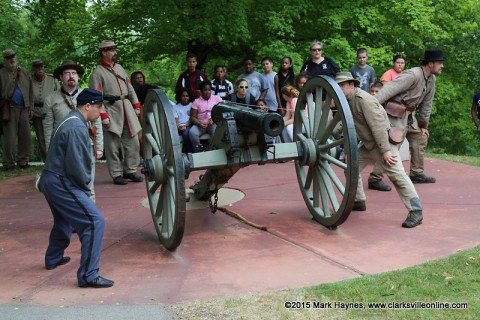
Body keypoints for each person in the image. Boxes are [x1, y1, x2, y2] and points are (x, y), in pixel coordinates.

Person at [39, 88, 114, 288]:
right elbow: (78, 167)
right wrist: (85, 190)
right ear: (87, 106)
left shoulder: (70, 119)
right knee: (94, 222)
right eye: (98, 107)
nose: (99, 112)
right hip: (60, 181)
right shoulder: (76, 127)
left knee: (63, 219)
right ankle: (89, 275)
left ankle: (53, 258)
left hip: (50, 179)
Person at [335, 72, 423, 228]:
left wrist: (385, 150)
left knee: (398, 176)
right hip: (369, 144)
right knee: (351, 169)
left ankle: (416, 211)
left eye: (342, 85)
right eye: (338, 85)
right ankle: (358, 200)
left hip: (382, 143)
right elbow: (345, 123)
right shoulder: (348, 100)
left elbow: (379, 125)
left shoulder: (364, 100)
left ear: (351, 84)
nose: (339, 88)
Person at [374, 49, 446, 184]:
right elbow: (388, 90)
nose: (442, 66)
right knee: (393, 143)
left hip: (409, 115)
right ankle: (375, 177)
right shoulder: (412, 75)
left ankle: (416, 173)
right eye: (440, 62)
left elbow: (427, 104)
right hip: (395, 113)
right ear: (430, 63)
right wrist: (372, 106)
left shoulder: (431, 79)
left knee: (420, 136)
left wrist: (423, 126)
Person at [43, 60, 103, 202]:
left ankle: (90, 218)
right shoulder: (51, 99)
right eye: (67, 73)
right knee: (64, 185)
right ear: (61, 77)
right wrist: (49, 150)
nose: (71, 76)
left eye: (74, 73)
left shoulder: (88, 95)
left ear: (78, 76)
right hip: (62, 148)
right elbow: (47, 127)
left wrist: (99, 146)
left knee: (88, 184)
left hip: (85, 144)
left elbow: (97, 121)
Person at [89, 40, 143, 185]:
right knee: (112, 145)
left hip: (126, 107)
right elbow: (96, 97)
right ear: (104, 52)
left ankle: (130, 170)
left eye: (115, 50)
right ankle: (116, 174)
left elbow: (129, 87)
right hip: (111, 108)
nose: (115, 53)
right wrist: (103, 115)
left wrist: (136, 104)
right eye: (112, 50)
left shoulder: (119, 67)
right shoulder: (97, 73)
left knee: (133, 141)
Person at [0, 49, 33, 170]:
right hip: (9, 109)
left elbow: (31, 91)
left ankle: (23, 161)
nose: (12, 59)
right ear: (5, 60)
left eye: (13, 56)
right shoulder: (1, 73)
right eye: (9, 57)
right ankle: (8, 163)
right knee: (9, 138)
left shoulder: (24, 72)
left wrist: (31, 107)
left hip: (24, 108)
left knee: (26, 137)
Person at [31, 59, 60, 162]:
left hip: (51, 111)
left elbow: (60, 94)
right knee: (41, 137)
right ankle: (47, 160)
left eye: (41, 66)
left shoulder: (52, 79)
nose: (39, 69)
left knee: (53, 134)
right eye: (37, 67)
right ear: (33, 68)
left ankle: (56, 157)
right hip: (36, 111)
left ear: (44, 67)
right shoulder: (30, 80)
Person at [189, 80, 222, 152]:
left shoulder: (217, 99)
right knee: (192, 132)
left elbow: (221, 112)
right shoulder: (196, 101)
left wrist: (213, 119)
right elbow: (192, 117)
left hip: (213, 124)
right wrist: (199, 123)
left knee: (217, 131)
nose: (207, 92)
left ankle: (212, 150)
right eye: (205, 90)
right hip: (200, 125)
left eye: (209, 90)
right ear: (201, 91)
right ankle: (199, 151)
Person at [174, 89, 194, 153]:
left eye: (187, 96)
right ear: (180, 97)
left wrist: (185, 126)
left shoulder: (192, 105)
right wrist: (178, 128)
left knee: (186, 134)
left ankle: (190, 152)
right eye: (183, 96)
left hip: (189, 125)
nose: (185, 98)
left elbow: (193, 118)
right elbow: (175, 120)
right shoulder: (175, 107)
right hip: (179, 127)